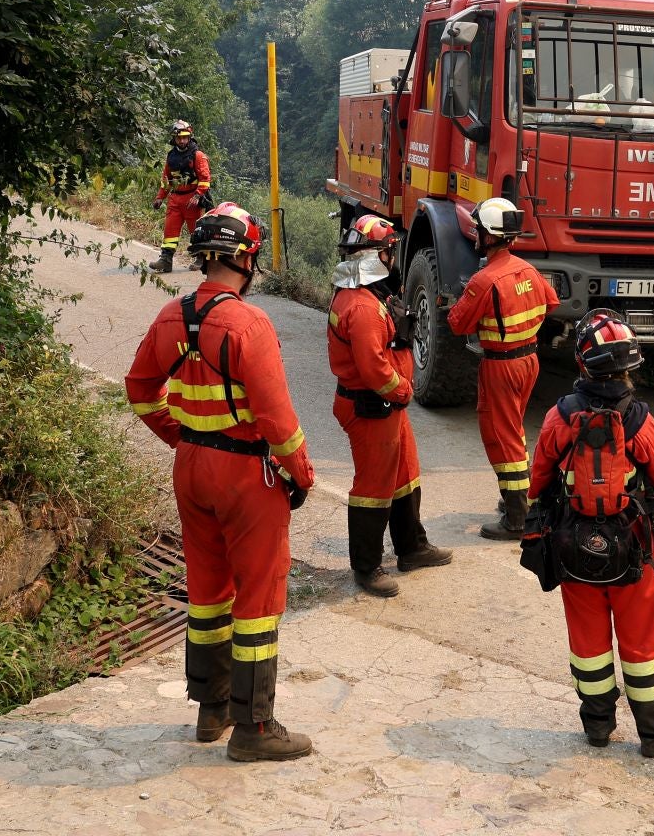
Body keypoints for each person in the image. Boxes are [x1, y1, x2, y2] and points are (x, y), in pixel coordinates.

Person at [125, 201, 316, 762]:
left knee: (208, 592)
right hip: (245, 474)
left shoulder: (169, 316)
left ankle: (211, 712)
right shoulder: (249, 323)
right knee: (257, 597)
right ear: (247, 258)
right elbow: (279, 424)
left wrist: (183, 437)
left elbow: (139, 391)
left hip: (192, 468)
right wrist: (300, 474)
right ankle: (254, 730)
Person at [527, 309, 654, 757]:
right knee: (643, 647)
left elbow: (538, 480)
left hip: (574, 550)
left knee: (589, 645)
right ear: (628, 369)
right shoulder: (638, 419)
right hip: (634, 549)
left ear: (581, 363)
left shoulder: (561, 416)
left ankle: (597, 729)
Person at [328, 213, 453, 596]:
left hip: (385, 407)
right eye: (389, 251)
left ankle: (412, 546)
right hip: (373, 405)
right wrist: (403, 390)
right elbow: (374, 370)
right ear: (378, 256)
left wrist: (398, 339)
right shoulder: (363, 308)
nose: (393, 258)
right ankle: (366, 567)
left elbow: (380, 351)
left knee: (404, 475)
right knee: (373, 486)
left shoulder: (368, 297)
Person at [446, 196, 559, 539]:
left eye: (479, 230)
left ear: (490, 237)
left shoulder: (484, 280)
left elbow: (456, 323)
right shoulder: (527, 269)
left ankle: (516, 518)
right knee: (515, 431)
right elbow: (551, 302)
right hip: (528, 361)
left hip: (502, 367)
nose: (476, 234)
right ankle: (518, 496)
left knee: (501, 437)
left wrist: (461, 297)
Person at [155, 119, 213, 273]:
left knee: (196, 230)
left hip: (192, 199)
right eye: (179, 138)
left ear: (190, 137)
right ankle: (166, 260)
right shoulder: (171, 156)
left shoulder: (198, 155)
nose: (182, 140)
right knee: (170, 230)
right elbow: (166, 180)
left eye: (185, 137)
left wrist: (198, 195)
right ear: (174, 138)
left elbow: (205, 179)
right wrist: (160, 197)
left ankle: (201, 258)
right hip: (175, 199)